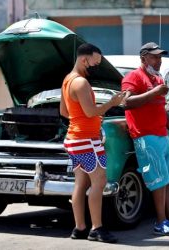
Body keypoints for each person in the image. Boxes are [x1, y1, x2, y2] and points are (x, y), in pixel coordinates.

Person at [121, 42, 169, 236]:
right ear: (143, 58)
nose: (159, 61)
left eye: (160, 57)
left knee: (167, 181)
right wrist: (154, 92)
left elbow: (161, 111)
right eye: (154, 57)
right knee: (158, 181)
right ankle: (160, 222)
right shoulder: (133, 77)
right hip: (145, 136)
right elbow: (125, 102)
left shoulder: (158, 79)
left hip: (162, 135)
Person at [60, 43, 124, 243]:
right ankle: (97, 228)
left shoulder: (67, 81)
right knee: (99, 181)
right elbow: (90, 111)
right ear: (84, 59)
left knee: (80, 183)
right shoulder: (81, 83)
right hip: (86, 139)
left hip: (74, 138)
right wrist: (111, 103)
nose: (95, 67)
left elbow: (64, 112)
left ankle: (79, 228)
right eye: (94, 63)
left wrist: (91, 119)